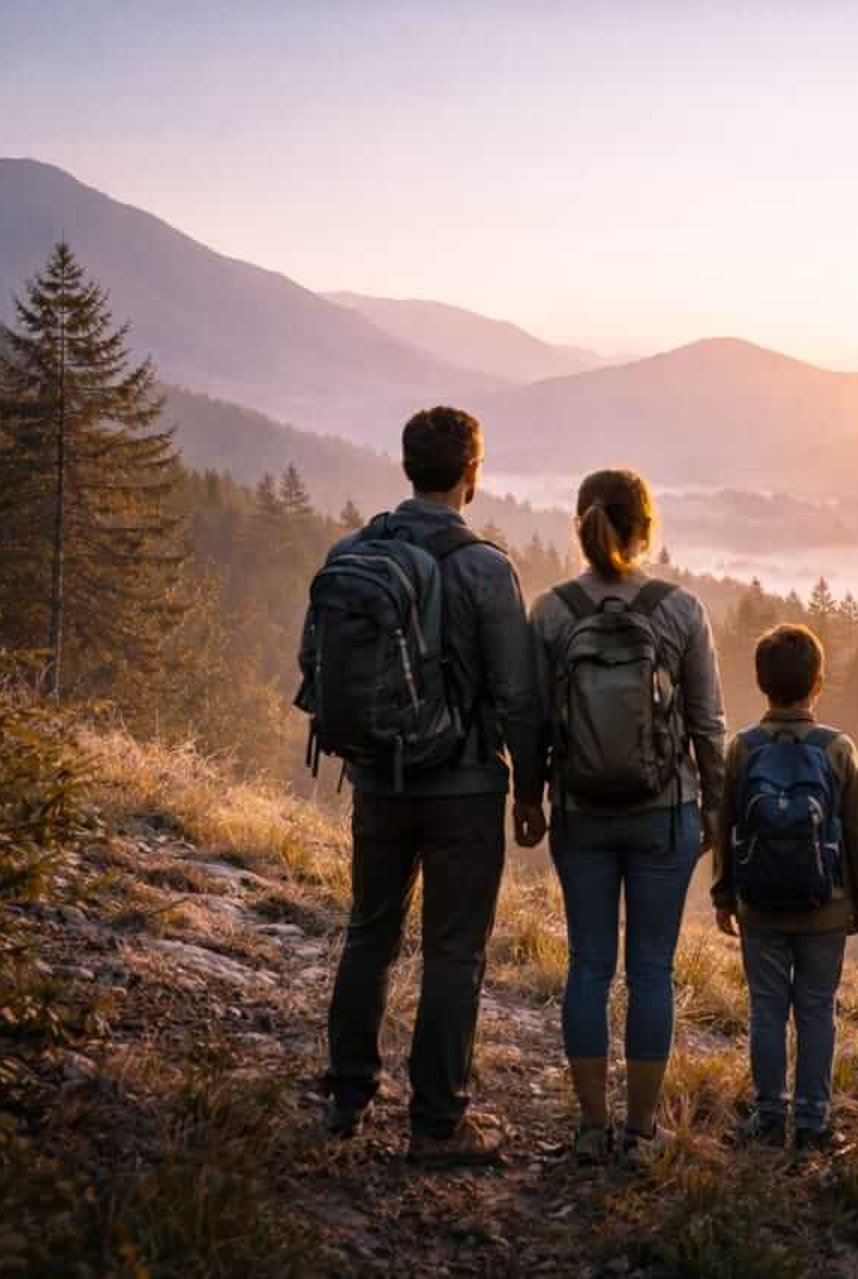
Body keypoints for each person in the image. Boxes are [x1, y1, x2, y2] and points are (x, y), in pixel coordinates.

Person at [306, 406, 543, 1166]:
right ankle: (437, 1122)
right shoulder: (485, 567)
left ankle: (346, 1092)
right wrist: (532, 790)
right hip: (464, 787)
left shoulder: (354, 550)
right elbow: (515, 694)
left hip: (375, 776)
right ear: (472, 473)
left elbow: (319, 667)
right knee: (452, 951)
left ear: (408, 466)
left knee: (369, 929)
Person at [524, 468, 726, 1165]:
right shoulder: (681, 610)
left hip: (578, 811)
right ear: (646, 527)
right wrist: (717, 813)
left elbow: (534, 721)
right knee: (650, 971)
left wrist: (528, 795)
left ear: (581, 523)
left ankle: (588, 1127)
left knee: (587, 966)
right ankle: (640, 1134)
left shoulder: (551, 612)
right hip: (664, 813)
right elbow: (708, 725)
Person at [710, 624, 858, 1154]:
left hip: (759, 905)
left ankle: (766, 1116)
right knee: (816, 1009)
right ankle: (812, 1122)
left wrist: (723, 894)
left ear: (761, 682)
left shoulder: (743, 747)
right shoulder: (838, 749)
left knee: (765, 1009)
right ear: (818, 683)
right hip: (825, 906)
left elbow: (725, 824)